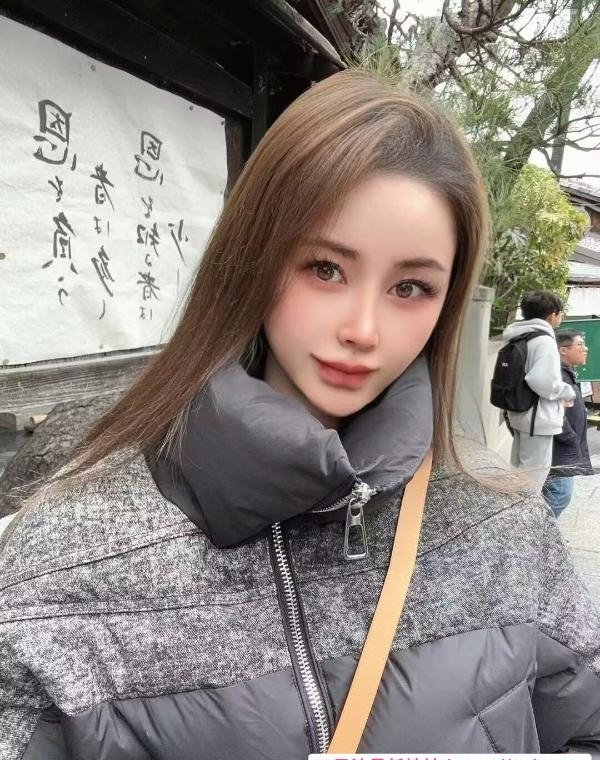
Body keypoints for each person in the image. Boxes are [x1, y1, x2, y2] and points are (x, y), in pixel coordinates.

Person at [1, 71, 599, 759]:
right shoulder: (71, 548)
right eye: (325, 269)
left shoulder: (500, 525)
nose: (363, 330)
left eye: (411, 287)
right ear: (252, 256)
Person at [503, 291, 576, 492]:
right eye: (560, 313)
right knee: (532, 479)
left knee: (518, 472)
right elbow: (542, 381)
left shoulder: (520, 335)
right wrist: (567, 391)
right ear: (552, 314)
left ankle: (515, 508)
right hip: (538, 419)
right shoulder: (544, 341)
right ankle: (524, 511)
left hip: (520, 412)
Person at [543, 329, 593, 517]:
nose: (585, 349)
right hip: (559, 450)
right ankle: (539, 532)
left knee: (553, 495)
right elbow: (553, 413)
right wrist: (571, 438)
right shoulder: (558, 376)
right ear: (563, 350)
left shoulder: (566, 374)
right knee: (560, 494)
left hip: (561, 448)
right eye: (579, 344)